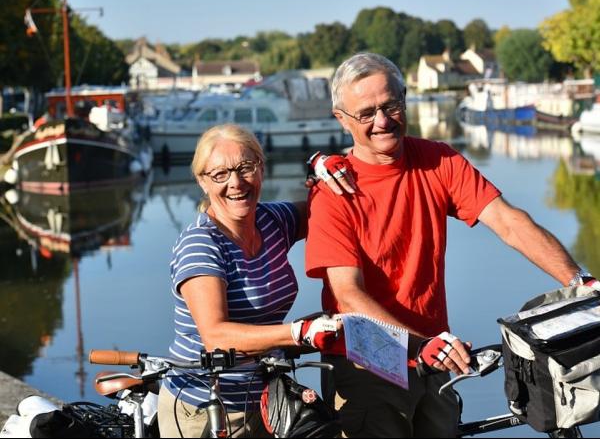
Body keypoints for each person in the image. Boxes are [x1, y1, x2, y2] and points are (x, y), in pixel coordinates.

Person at [304, 52, 598, 438]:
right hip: (369, 365)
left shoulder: (438, 160)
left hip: (436, 357)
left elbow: (509, 222)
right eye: (366, 113)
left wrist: (581, 282)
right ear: (342, 119)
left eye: (390, 105)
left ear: (404, 98)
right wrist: (420, 345)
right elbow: (347, 295)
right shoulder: (334, 193)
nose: (382, 121)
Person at [158, 124, 345, 438]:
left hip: (265, 398)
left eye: (246, 168)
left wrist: (327, 175)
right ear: (202, 182)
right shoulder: (202, 245)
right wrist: (297, 333)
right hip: (206, 406)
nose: (236, 183)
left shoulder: (272, 221)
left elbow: (327, 210)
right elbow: (216, 336)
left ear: (261, 168)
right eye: (220, 174)